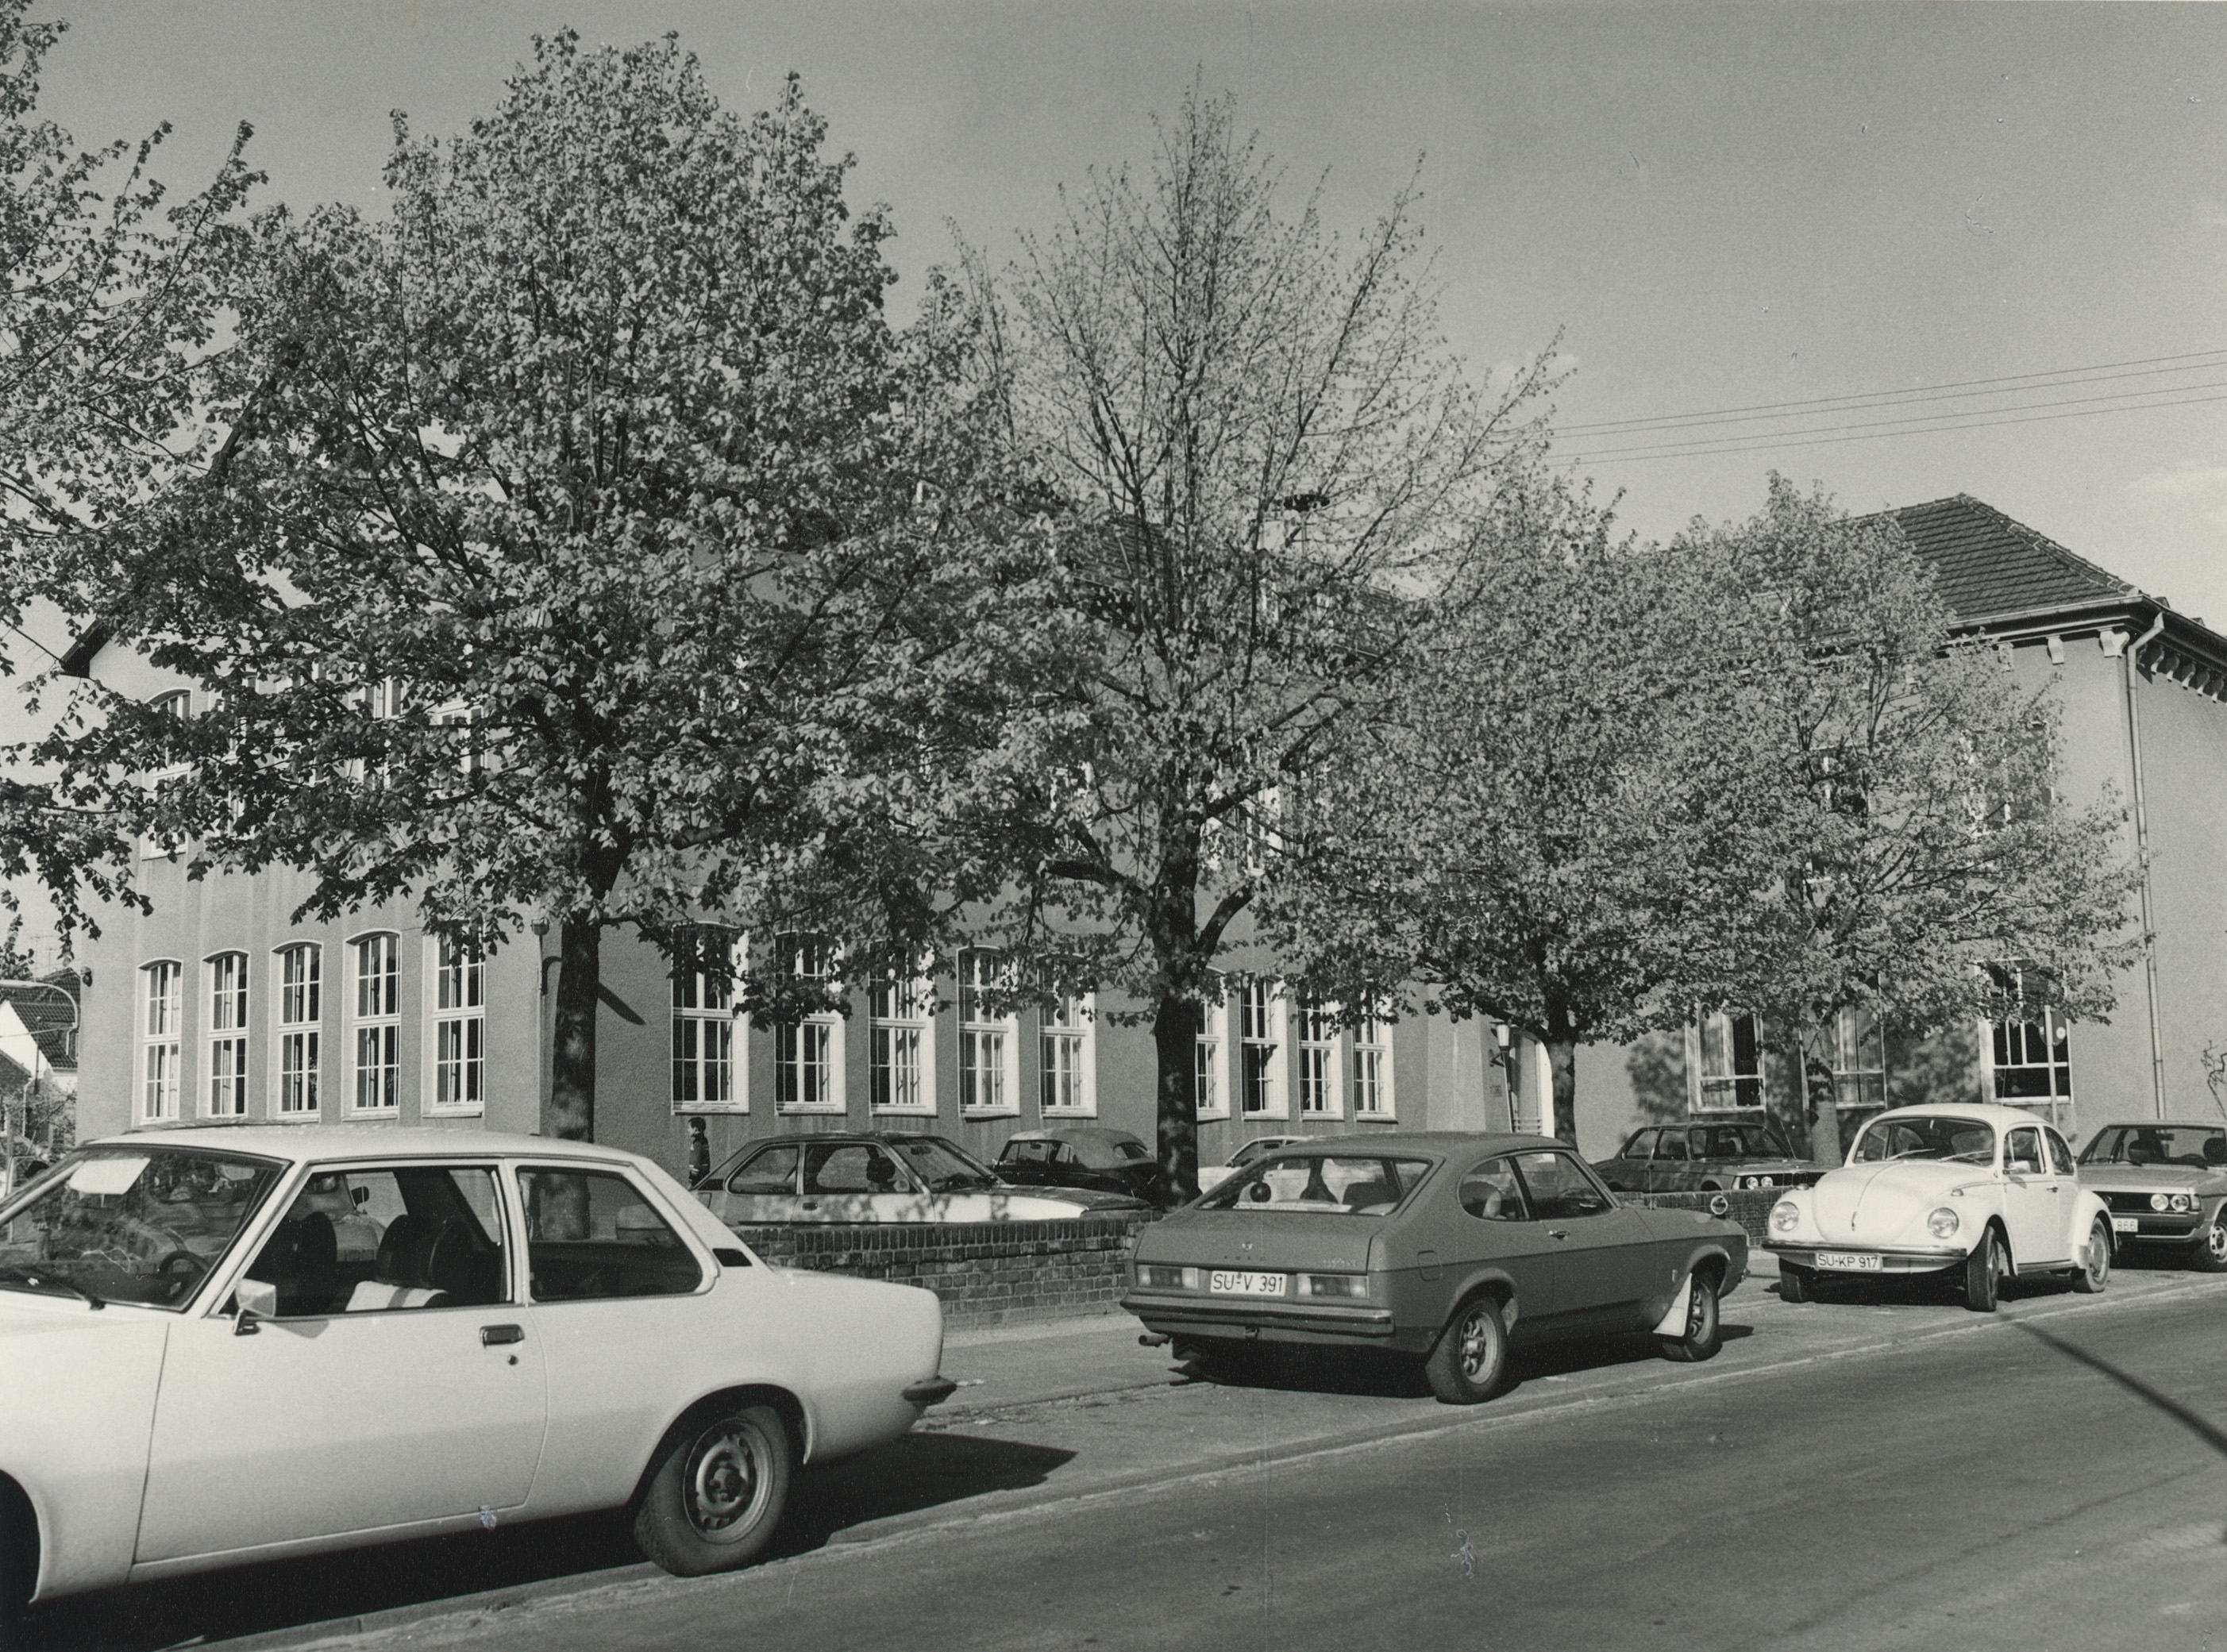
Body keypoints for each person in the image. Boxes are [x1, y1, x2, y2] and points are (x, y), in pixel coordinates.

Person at [686, 1119, 711, 1186]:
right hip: (704, 1175)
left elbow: (697, 1162)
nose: (688, 1130)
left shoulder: (697, 1143)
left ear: (695, 1129)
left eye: (689, 1128)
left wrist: (691, 1180)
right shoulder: (704, 1140)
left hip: (697, 1177)